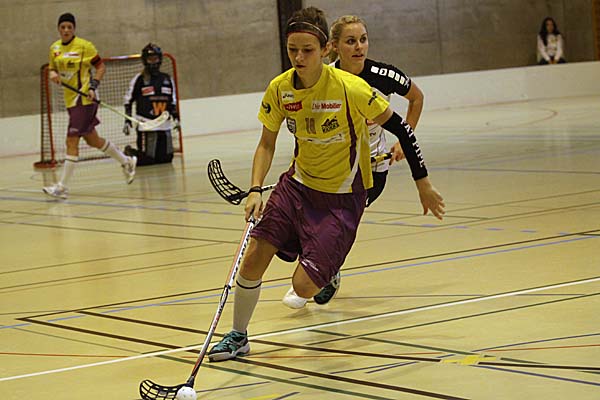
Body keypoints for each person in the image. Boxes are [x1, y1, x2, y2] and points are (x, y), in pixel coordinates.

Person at [207, 6, 444, 362]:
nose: (299, 58)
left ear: (325, 50)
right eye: (292, 50)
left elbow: (403, 130)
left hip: (342, 197)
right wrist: (255, 189)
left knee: (303, 287)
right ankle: (238, 336)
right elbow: (266, 143)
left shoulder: (352, 88)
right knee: (254, 258)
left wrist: (422, 183)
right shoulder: (280, 89)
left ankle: (325, 266)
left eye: (308, 50)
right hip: (296, 186)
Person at [282, 14, 426, 309]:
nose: (359, 47)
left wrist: (404, 138)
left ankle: (326, 272)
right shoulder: (322, 78)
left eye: (363, 40)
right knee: (313, 222)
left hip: (370, 173)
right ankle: (321, 270)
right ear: (334, 46)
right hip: (329, 170)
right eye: (350, 41)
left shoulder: (384, 75)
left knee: (332, 223)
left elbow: (416, 98)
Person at [43, 12, 136, 199]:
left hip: (85, 99)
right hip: (71, 100)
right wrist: (52, 73)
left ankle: (62, 187)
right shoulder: (54, 48)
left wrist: (93, 86)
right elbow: (52, 68)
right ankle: (127, 161)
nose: (66, 30)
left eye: (70, 27)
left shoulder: (85, 46)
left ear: (74, 29)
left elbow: (100, 67)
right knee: (92, 140)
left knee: (71, 141)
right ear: (58, 29)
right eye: (63, 27)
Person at [123, 43, 179, 166]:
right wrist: (127, 120)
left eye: (155, 59)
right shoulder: (139, 79)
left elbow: (173, 101)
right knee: (147, 160)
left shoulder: (167, 79)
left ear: (160, 59)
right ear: (145, 60)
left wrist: (176, 118)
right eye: (150, 59)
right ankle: (129, 152)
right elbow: (128, 100)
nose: (153, 62)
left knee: (166, 159)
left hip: (164, 124)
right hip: (147, 124)